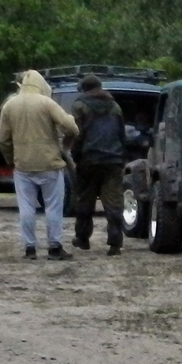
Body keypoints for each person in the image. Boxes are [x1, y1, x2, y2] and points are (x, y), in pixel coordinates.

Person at [0, 69, 79, 260]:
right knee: (53, 207)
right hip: (50, 164)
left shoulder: (9, 105)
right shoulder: (47, 103)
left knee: (26, 208)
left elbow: (2, 139)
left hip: (23, 166)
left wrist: (11, 158)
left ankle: (30, 248)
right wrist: (66, 145)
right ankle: (55, 247)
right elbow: (71, 128)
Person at [68, 75, 129, 254]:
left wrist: (75, 155)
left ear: (84, 89)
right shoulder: (115, 106)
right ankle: (115, 243)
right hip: (113, 160)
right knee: (113, 202)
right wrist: (122, 155)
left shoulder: (79, 106)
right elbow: (121, 134)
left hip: (88, 160)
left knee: (85, 200)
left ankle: (83, 238)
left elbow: (77, 135)